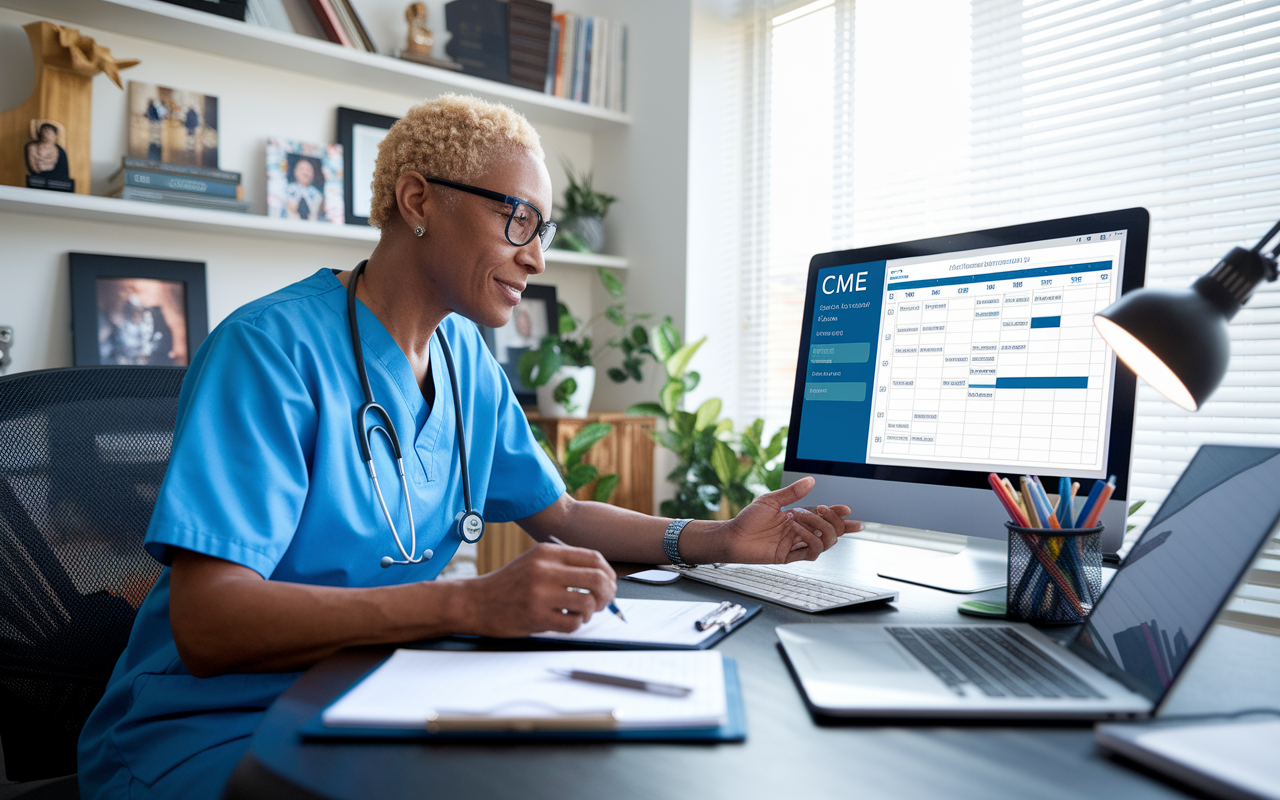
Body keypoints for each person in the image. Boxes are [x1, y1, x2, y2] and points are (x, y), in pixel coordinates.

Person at [77, 93, 859, 800]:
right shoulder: (268, 351)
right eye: (516, 219)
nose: (537, 256)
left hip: (380, 693)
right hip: (218, 729)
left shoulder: (466, 364)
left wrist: (718, 539)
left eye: (542, 229)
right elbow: (212, 626)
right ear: (418, 199)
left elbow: (559, 512)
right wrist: (469, 602)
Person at [284, 155, 325, 221]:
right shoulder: (286, 191)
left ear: (313, 173)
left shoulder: (318, 195)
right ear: (295, 171)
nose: (305, 173)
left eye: (308, 170)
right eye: (301, 169)